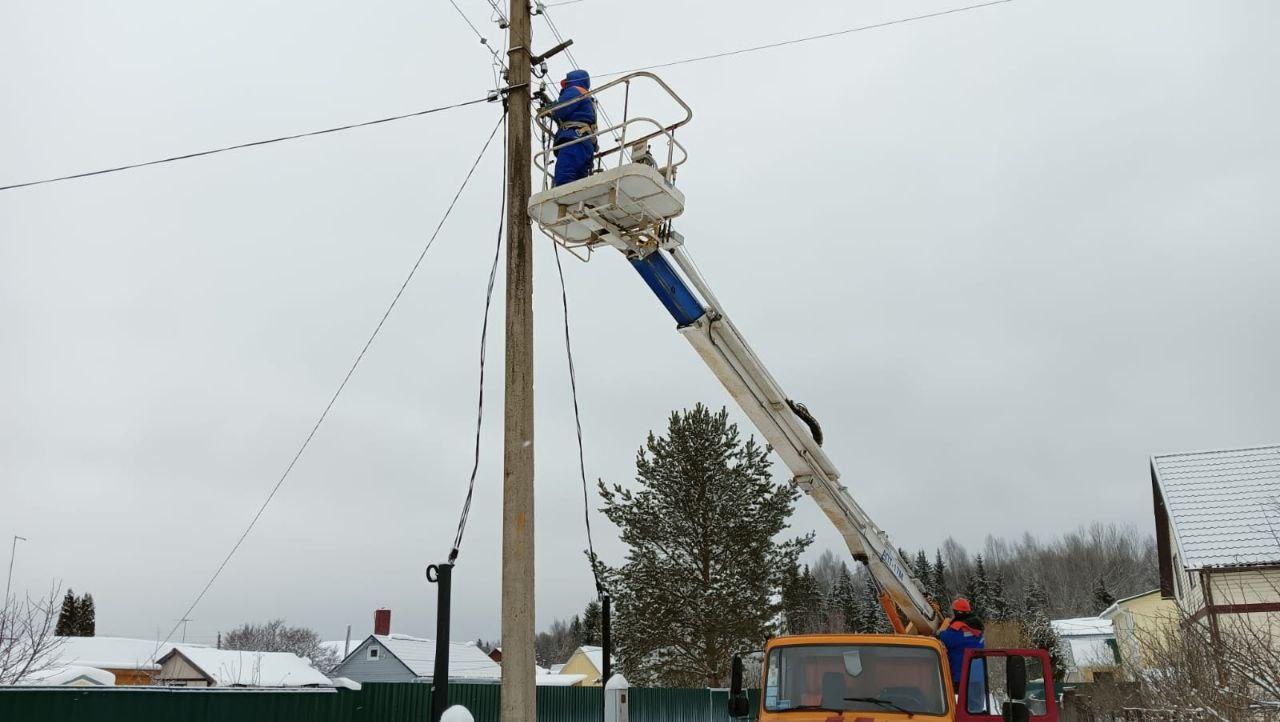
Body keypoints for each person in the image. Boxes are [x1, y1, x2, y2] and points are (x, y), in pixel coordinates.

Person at [550, 69, 597, 186]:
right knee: (578, 184)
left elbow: (561, 110)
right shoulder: (588, 99)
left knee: (564, 177)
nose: (564, 86)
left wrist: (551, 109)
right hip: (586, 145)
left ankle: (565, 204)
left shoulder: (575, 90)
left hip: (573, 141)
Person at [938, 598, 985, 690]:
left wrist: (939, 633)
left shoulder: (957, 628)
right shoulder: (978, 629)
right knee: (973, 704)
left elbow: (946, 639)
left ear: (957, 612)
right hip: (977, 677)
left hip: (960, 676)